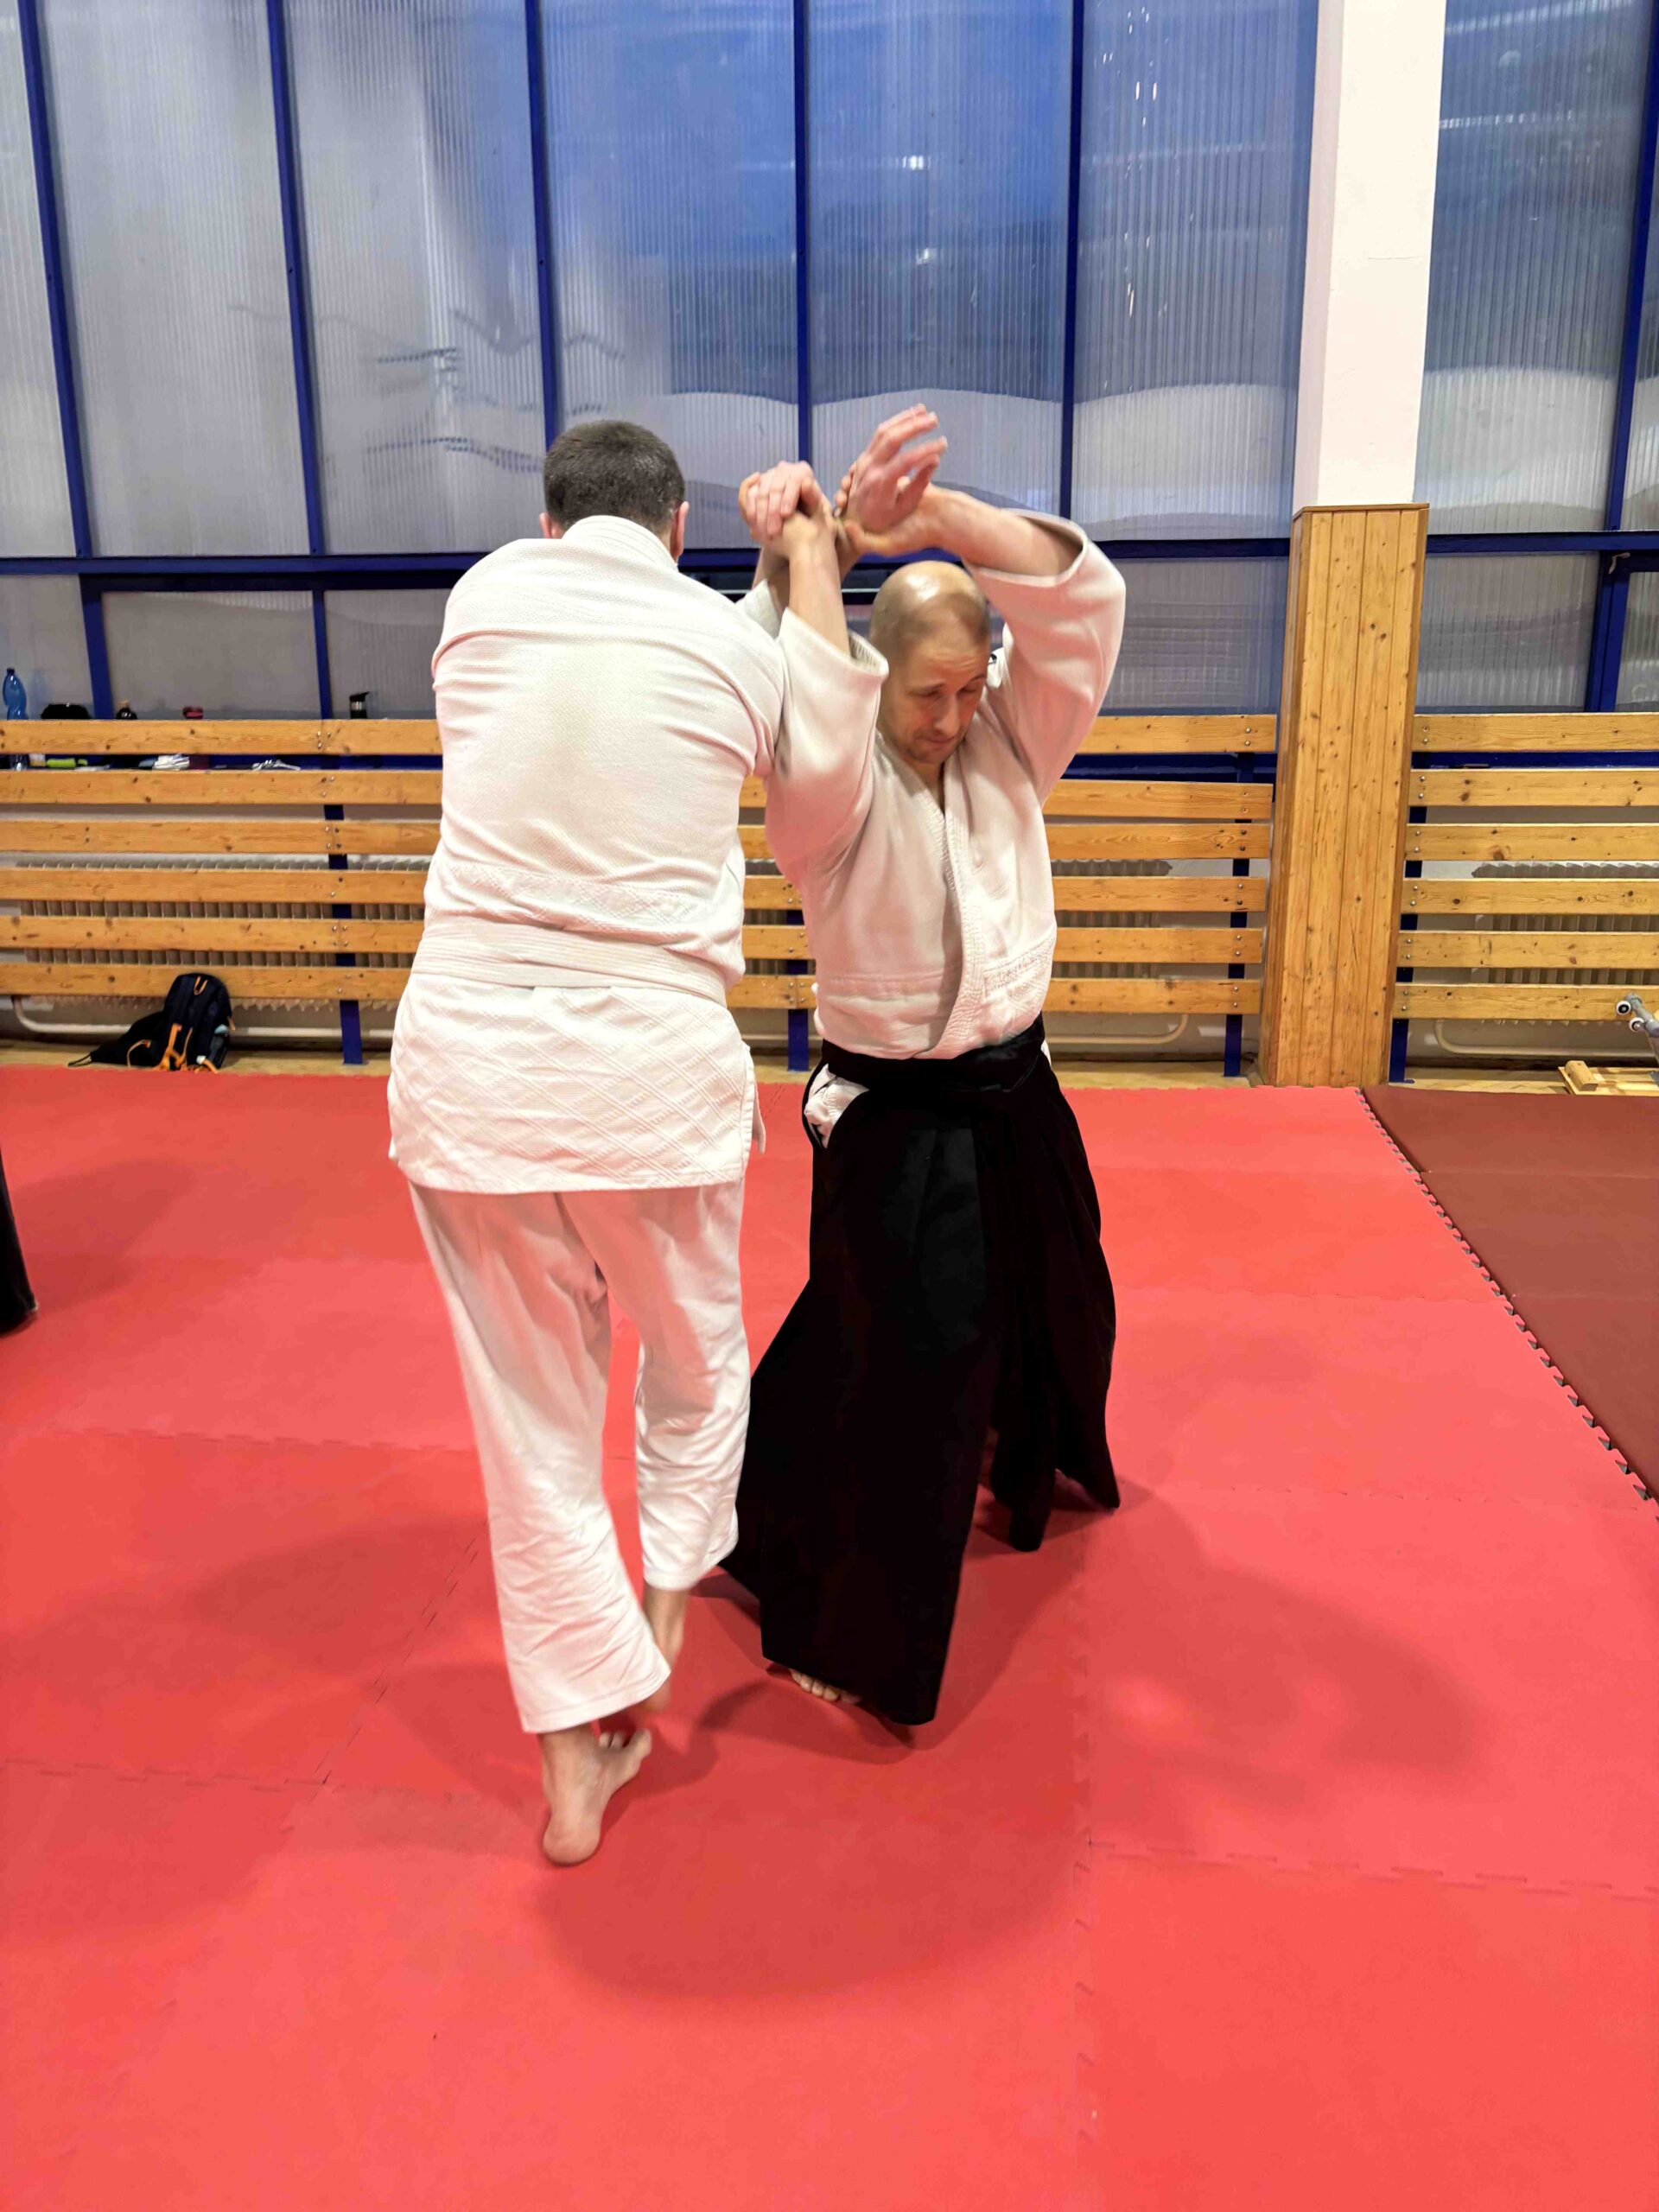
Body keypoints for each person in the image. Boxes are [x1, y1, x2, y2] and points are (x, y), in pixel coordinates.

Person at [388, 420, 884, 1862]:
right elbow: (812, 767)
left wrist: (767, 584)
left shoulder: (479, 605)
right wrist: (805, 556)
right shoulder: (726, 643)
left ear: (549, 526)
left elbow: (635, 669)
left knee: (531, 1427)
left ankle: (570, 1765)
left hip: (472, 1080)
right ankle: (661, 1622)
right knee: (696, 1363)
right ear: (678, 530)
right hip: (648, 1089)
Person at [723, 410, 1128, 1726]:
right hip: (897, 1117)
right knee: (902, 1366)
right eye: (924, 695)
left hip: (1018, 1088)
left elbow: (1088, 606)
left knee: (1067, 1295)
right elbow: (809, 702)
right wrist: (810, 553)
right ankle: (846, 1626)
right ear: (873, 675)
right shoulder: (828, 797)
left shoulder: (1012, 738)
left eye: (969, 687)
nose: (953, 718)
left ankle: (1030, 1451)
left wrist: (934, 522)